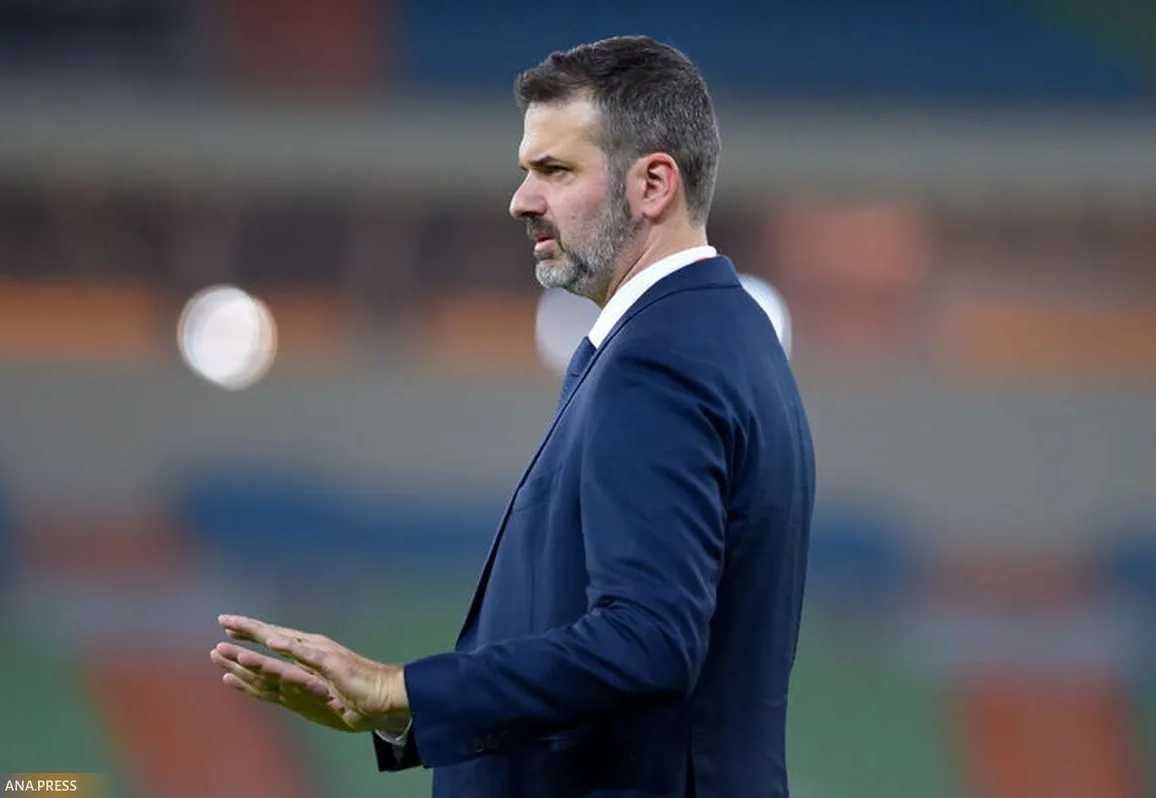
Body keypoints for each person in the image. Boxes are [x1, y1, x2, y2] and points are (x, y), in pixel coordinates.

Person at [211, 34, 815, 798]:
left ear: (653, 184)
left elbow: (649, 640)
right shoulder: (726, 336)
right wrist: (403, 716)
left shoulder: (658, 360)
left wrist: (402, 688)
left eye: (555, 170)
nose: (521, 200)